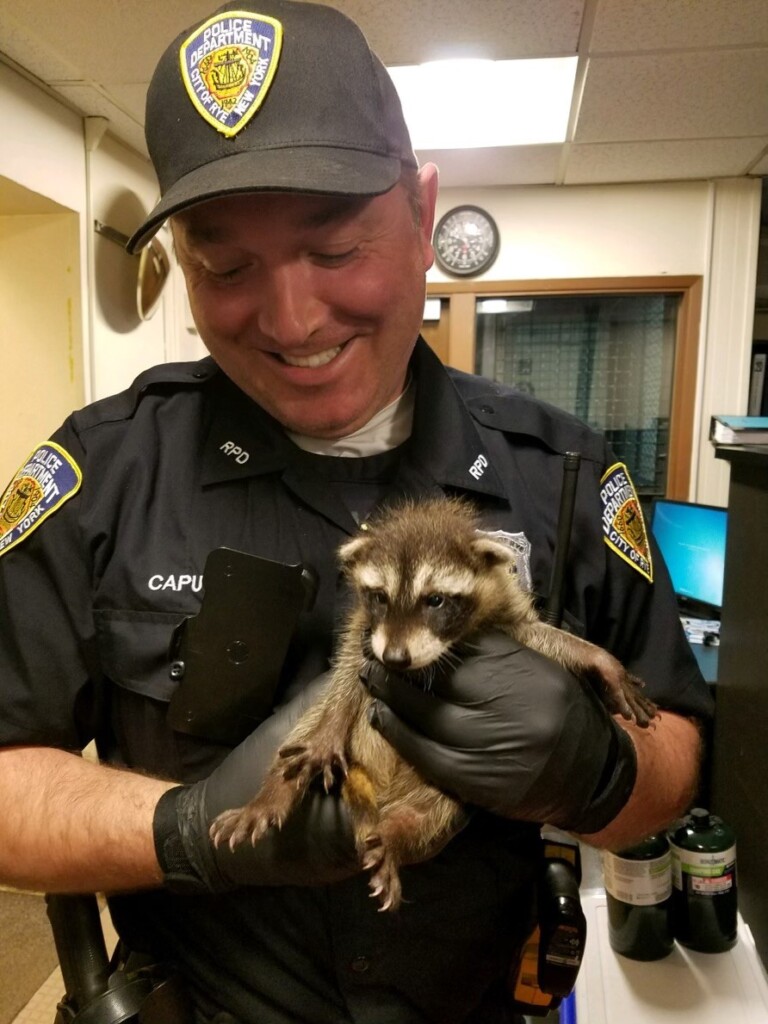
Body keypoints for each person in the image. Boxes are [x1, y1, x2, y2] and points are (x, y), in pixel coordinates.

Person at [0, 2, 712, 1022]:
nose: (291, 320)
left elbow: (678, 751)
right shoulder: (100, 473)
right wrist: (190, 827)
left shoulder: (560, 470)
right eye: (226, 265)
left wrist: (596, 772)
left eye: (335, 249)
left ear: (424, 218)